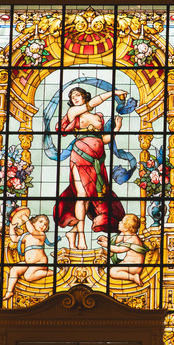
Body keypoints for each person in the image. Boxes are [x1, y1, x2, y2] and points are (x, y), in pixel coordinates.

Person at [54, 86, 129, 250]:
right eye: (72, 96)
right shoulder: (74, 112)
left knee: (89, 196)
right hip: (80, 156)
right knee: (82, 194)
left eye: (78, 95)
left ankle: (73, 232)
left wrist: (116, 129)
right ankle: (81, 236)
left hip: (97, 161)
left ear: (84, 96)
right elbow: (95, 102)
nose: (75, 98)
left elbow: (104, 139)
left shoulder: (98, 117)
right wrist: (114, 93)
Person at [4, 208, 52, 299]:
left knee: (28, 276)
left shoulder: (41, 235)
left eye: (45, 224)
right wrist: (11, 228)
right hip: (28, 263)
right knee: (14, 270)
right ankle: (10, 291)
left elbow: (32, 231)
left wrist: (26, 219)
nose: (43, 225)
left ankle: (48, 273)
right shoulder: (27, 236)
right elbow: (14, 239)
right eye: (40, 222)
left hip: (40, 263)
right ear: (33, 223)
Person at [97, 213, 149, 285]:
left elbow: (118, 250)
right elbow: (116, 240)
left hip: (135, 267)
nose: (119, 222)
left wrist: (107, 245)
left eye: (121, 222)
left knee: (112, 272)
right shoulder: (124, 234)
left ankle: (133, 277)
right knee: (113, 269)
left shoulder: (132, 239)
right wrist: (106, 239)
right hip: (127, 264)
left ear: (126, 228)